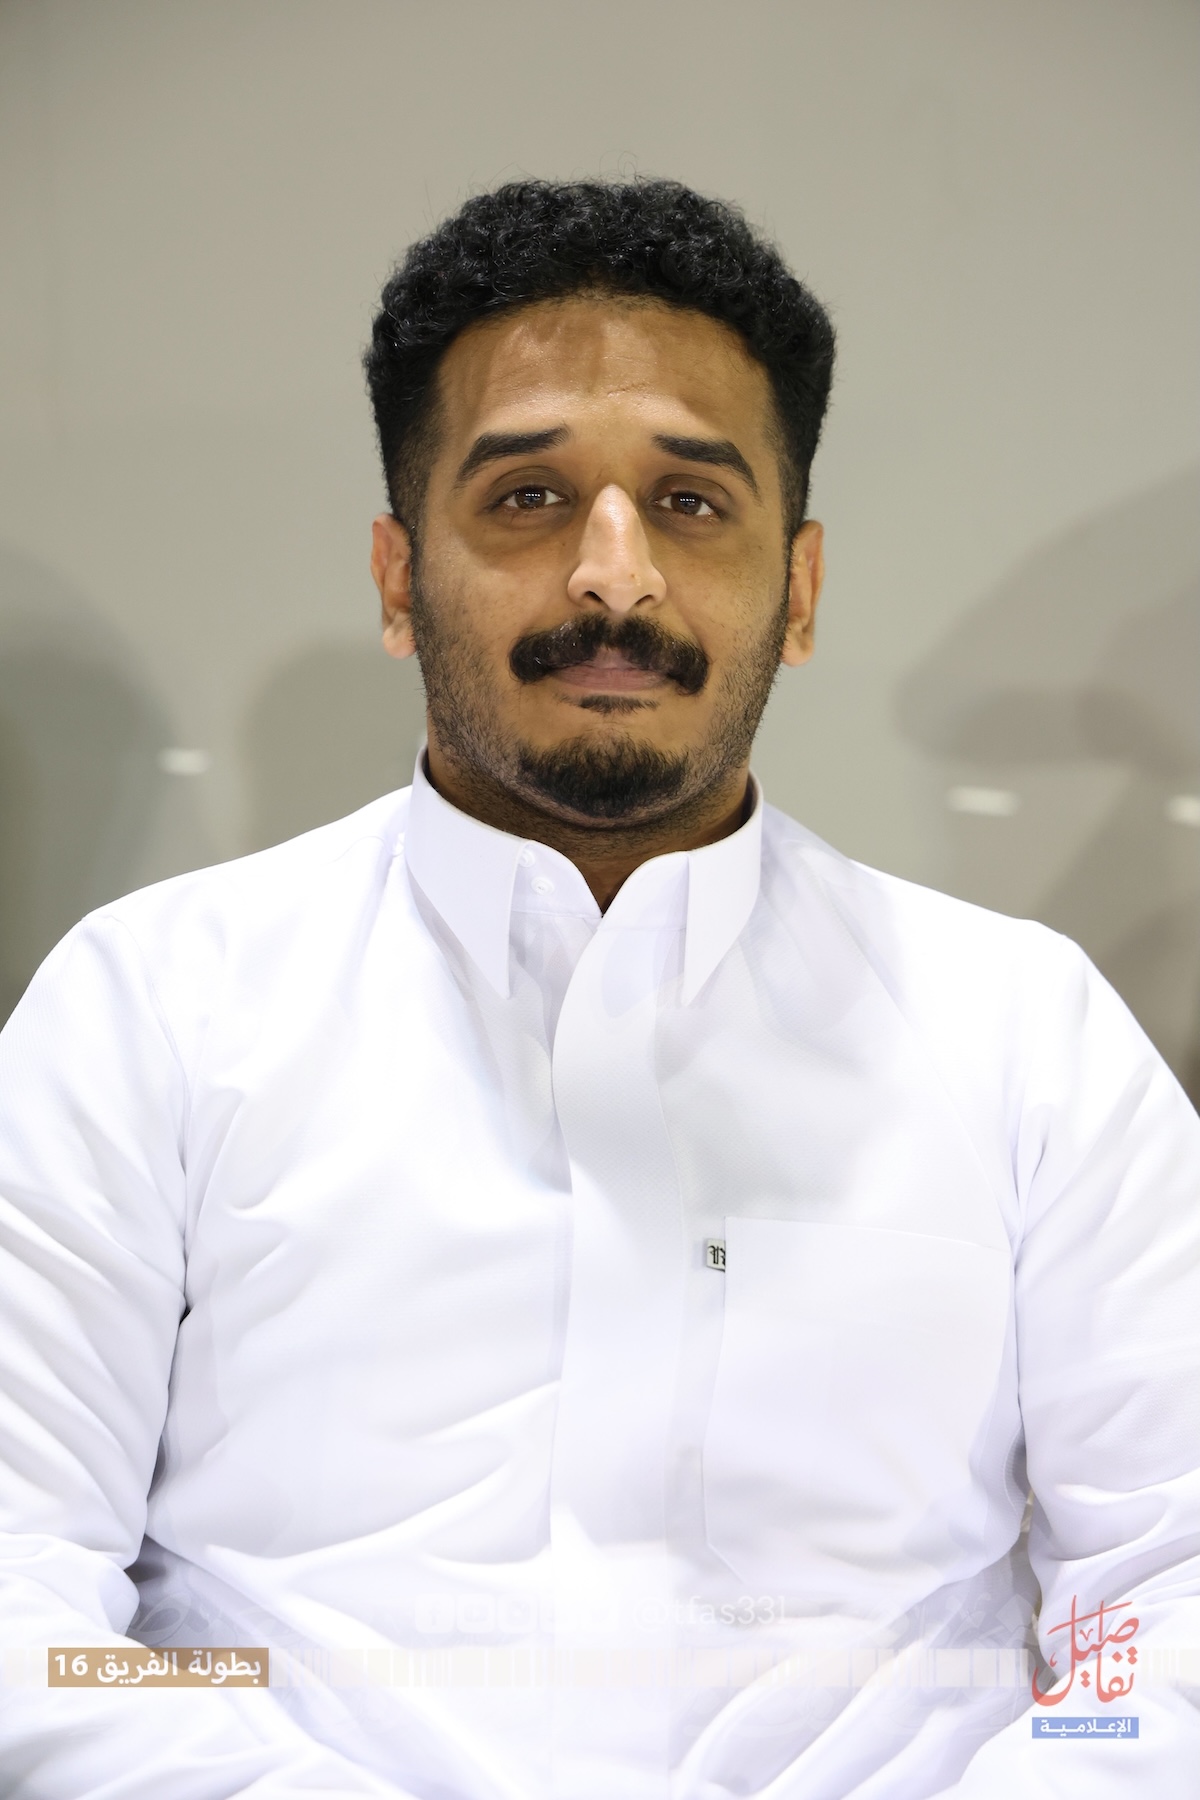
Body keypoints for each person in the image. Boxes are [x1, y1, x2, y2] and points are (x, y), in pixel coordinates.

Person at [0, 179, 1196, 1800]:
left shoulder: (1025, 1037)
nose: (613, 578)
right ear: (397, 576)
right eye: (529, 497)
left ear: (801, 588)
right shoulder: (149, 1010)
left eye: (691, 502)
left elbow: (1169, 1598)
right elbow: (26, 1606)